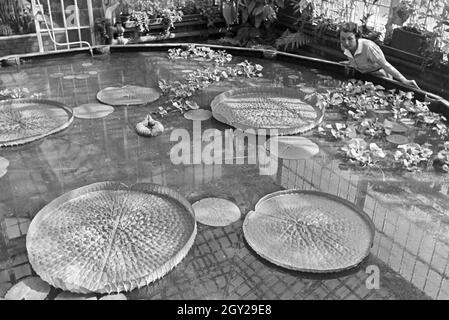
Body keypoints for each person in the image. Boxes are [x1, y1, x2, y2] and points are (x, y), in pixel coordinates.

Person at [339, 22, 420, 89]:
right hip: (363, 76)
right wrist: (350, 63)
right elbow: (357, 59)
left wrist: (404, 80)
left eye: (350, 39)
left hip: (380, 77)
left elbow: (386, 65)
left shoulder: (368, 47)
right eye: (343, 39)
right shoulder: (344, 46)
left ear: (356, 37)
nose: (346, 43)